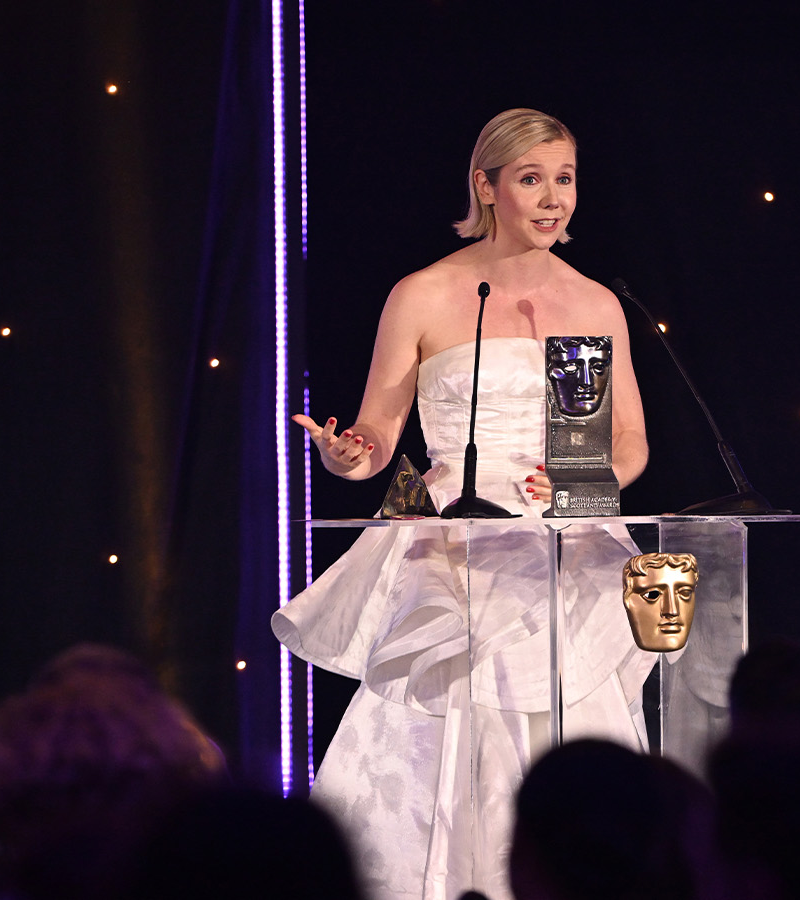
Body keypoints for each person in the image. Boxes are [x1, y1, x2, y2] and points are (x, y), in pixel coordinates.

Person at [274, 108, 655, 900]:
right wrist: (348, 454)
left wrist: (585, 486)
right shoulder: (427, 293)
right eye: (531, 179)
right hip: (453, 551)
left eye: (565, 178)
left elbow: (628, 443)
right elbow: (376, 436)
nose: (554, 199)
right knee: (440, 735)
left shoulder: (594, 304)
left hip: (563, 553)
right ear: (485, 187)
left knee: (570, 731)